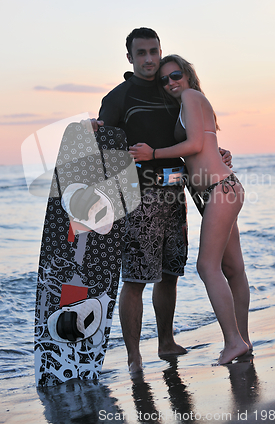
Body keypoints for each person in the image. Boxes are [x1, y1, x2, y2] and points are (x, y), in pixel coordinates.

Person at [90, 29, 232, 372]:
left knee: (171, 273)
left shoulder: (172, 93)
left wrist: (216, 152)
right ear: (130, 58)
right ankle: (134, 356)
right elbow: (104, 149)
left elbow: (192, 136)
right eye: (141, 53)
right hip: (138, 199)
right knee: (136, 279)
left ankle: (166, 342)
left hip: (175, 192)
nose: (149, 59)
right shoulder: (119, 97)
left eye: (154, 51)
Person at [130, 54, 252, 364]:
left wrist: (152, 152)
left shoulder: (191, 95)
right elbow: (204, 148)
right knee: (232, 269)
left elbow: (196, 144)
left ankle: (234, 342)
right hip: (215, 191)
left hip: (219, 190)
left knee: (206, 267)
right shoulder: (188, 103)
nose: (170, 82)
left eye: (175, 76)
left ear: (187, 75)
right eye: (164, 80)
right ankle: (242, 340)